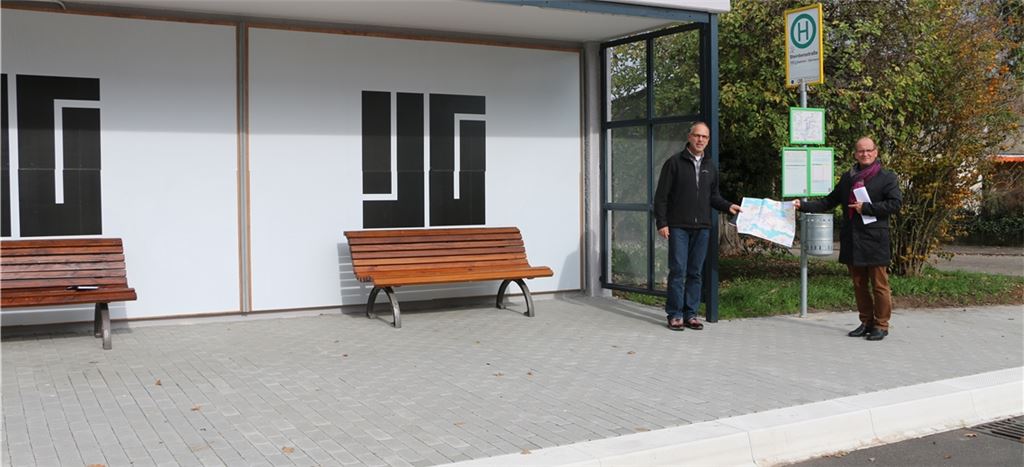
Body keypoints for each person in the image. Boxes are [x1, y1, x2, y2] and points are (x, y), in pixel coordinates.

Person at [794, 137, 902, 341]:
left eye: (869, 150)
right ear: (855, 154)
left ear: (876, 152)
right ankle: (866, 321)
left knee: (879, 284)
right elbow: (828, 201)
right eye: (861, 151)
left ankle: (881, 324)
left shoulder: (887, 177)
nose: (865, 154)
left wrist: (867, 208)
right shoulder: (848, 178)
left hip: (875, 239)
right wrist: (802, 205)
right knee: (859, 284)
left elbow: (895, 204)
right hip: (853, 238)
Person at [654, 122, 741, 331]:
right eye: (697, 136)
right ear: (689, 137)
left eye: (705, 137)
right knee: (678, 270)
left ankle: (690, 314)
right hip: (678, 226)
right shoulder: (673, 163)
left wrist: (729, 206)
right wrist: (662, 223)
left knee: (695, 272)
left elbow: (714, 197)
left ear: (708, 140)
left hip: (702, 227)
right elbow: (661, 197)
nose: (701, 140)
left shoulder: (710, 166)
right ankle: (675, 314)